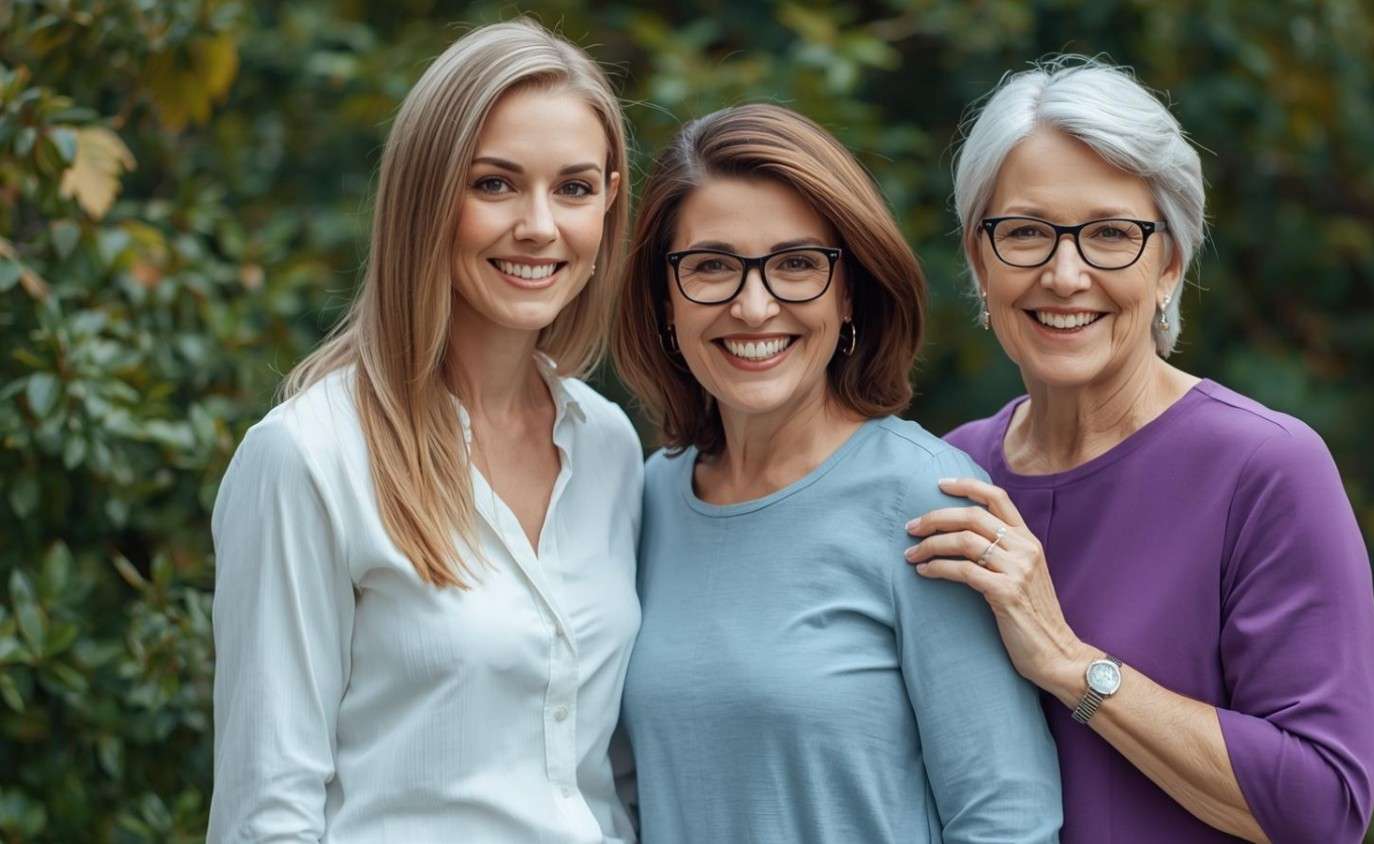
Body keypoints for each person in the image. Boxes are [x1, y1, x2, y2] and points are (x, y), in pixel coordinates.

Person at [903, 58, 1374, 843]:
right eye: (1025, 232)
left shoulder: (1265, 470)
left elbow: (1322, 809)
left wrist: (1066, 661)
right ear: (978, 261)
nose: (1065, 274)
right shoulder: (949, 474)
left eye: (1111, 235)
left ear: (1169, 265)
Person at [208, 20, 642, 843]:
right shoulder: (308, 456)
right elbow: (267, 811)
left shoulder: (610, 445)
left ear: (610, 201)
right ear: (425, 196)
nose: (540, 226)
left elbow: (607, 777)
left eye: (575, 188)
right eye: (495, 184)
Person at [611, 103, 1063, 844]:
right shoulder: (645, 498)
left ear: (848, 290)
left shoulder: (927, 498)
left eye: (795, 264)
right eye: (712, 266)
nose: (754, 306)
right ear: (664, 299)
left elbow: (1008, 819)